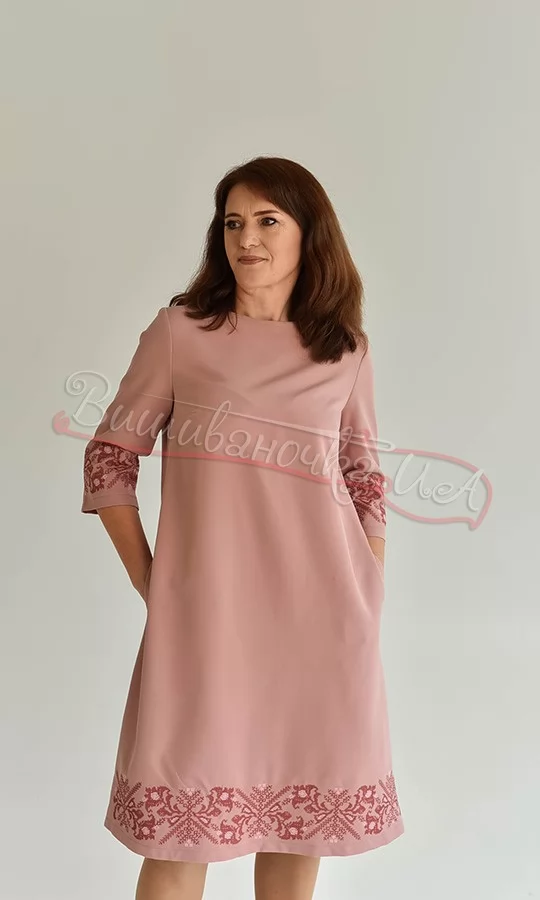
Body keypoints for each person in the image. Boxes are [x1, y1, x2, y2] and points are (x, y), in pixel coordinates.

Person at [81, 155, 404, 900]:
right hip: (208, 617)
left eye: (266, 220)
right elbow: (110, 457)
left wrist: (369, 583)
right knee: (179, 839)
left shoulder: (345, 350)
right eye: (232, 223)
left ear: (308, 233)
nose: (246, 239)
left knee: (299, 828)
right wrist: (154, 580)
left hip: (324, 618)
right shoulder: (181, 334)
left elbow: (364, 475)